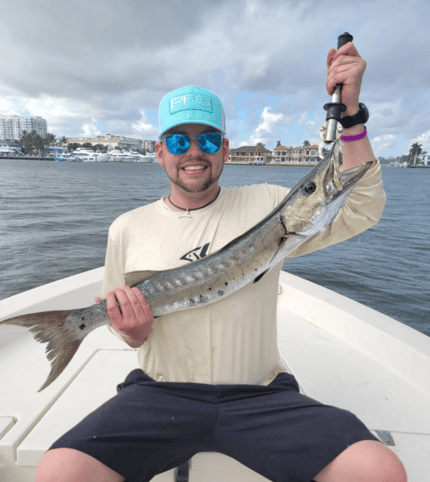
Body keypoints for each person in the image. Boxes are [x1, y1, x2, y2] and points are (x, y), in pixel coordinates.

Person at [36, 43, 406, 482]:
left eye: (208, 139)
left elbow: (362, 207)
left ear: (225, 149)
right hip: (160, 393)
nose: (194, 151)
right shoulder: (127, 228)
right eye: (179, 140)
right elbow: (126, 327)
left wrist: (351, 118)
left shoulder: (269, 205)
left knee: (377, 470)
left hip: (260, 394)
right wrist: (131, 331)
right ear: (160, 151)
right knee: (60, 471)